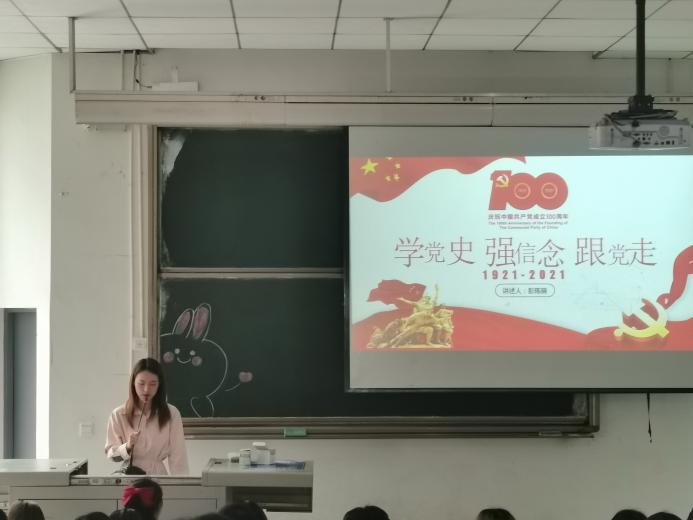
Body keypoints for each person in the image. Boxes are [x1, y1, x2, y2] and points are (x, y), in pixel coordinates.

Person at [106, 358, 189, 475]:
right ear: (133, 383)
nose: (146, 389)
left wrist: (181, 484)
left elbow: (178, 456)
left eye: (153, 384)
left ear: (159, 385)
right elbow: (111, 454)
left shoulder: (171, 413)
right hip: (129, 476)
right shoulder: (118, 414)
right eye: (141, 383)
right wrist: (127, 447)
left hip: (158, 476)